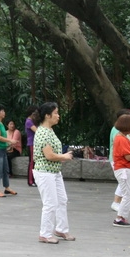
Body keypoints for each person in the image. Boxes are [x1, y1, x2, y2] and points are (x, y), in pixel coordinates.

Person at [33, 102, 75, 243]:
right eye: (56, 113)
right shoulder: (43, 132)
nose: (58, 116)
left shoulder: (49, 130)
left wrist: (62, 157)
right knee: (50, 203)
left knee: (62, 200)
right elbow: (49, 155)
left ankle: (61, 229)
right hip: (45, 173)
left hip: (54, 172)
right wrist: (65, 156)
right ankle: (45, 234)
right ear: (47, 115)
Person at [0, 104, 17, 197]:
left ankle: (7, 187)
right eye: (2, 111)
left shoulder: (0, 123)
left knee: (5, 169)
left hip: (2, 149)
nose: (4, 112)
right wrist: (10, 140)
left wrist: (8, 143)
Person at [24, 106, 39, 186]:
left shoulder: (32, 121)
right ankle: (30, 181)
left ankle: (34, 180)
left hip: (35, 143)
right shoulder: (29, 121)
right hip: (31, 144)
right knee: (32, 162)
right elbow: (37, 131)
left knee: (35, 162)